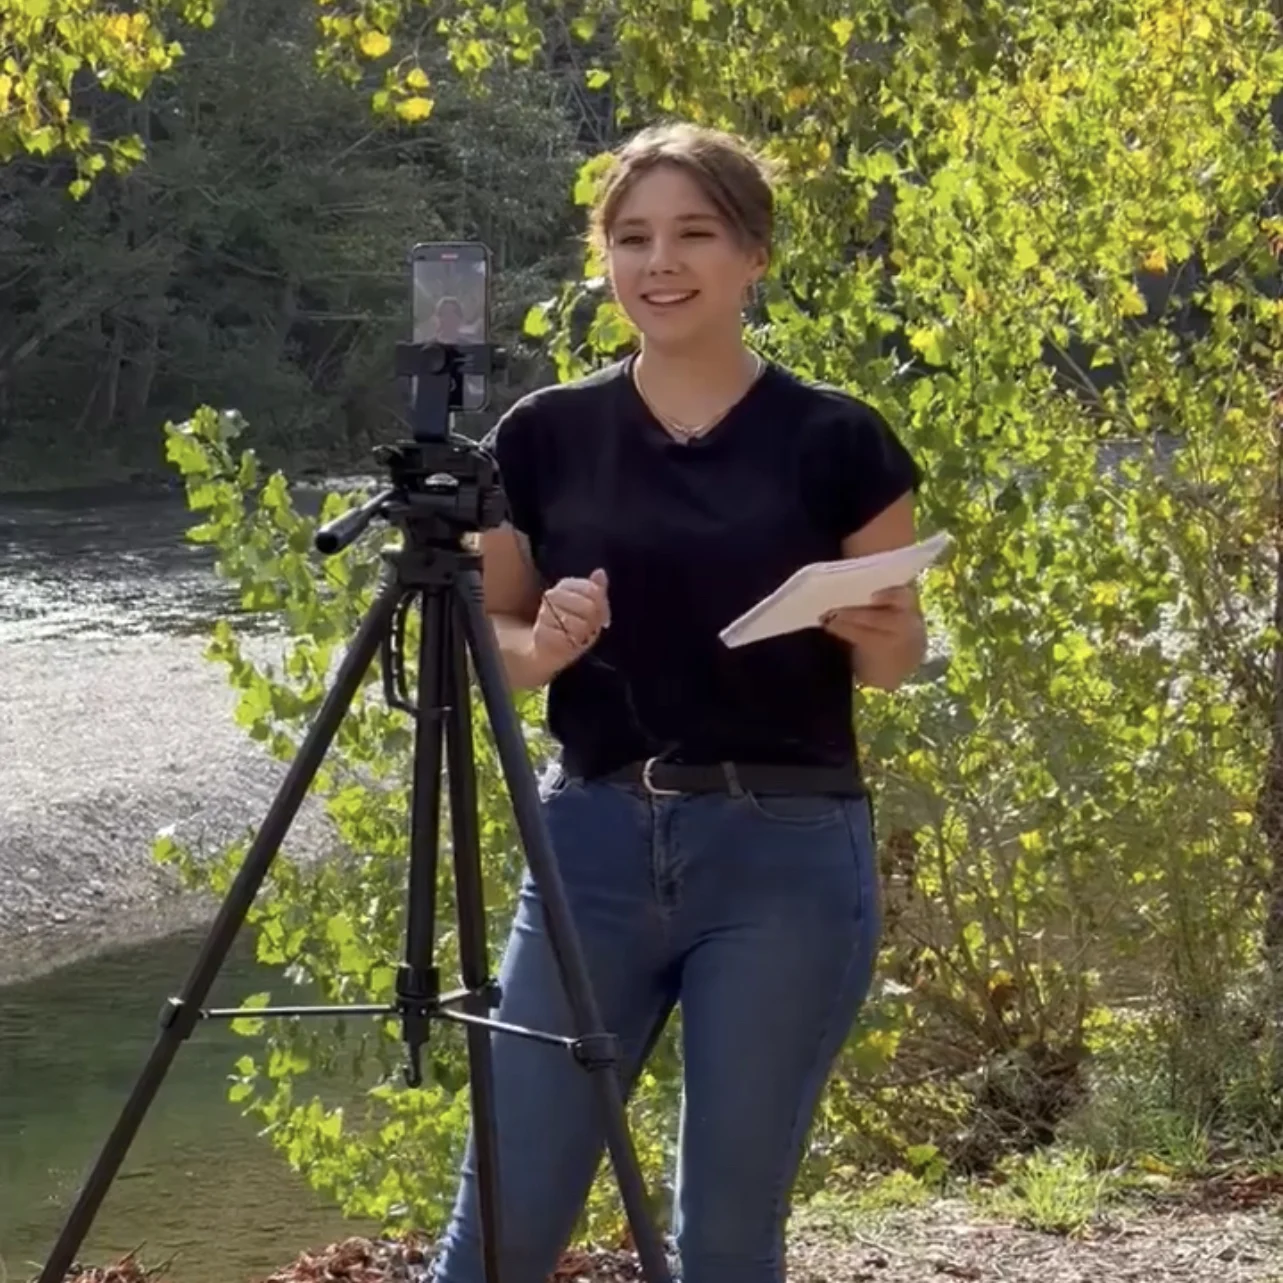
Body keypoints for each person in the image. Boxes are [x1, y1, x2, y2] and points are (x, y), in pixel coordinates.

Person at [432, 121, 927, 1283]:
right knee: (497, 1230)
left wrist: (893, 633)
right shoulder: (541, 434)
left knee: (722, 1243)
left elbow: (890, 667)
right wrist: (541, 641)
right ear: (602, 260)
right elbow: (491, 648)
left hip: (784, 856)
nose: (659, 262)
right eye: (631, 237)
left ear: (751, 254)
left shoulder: (839, 437)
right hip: (587, 846)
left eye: (692, 234)